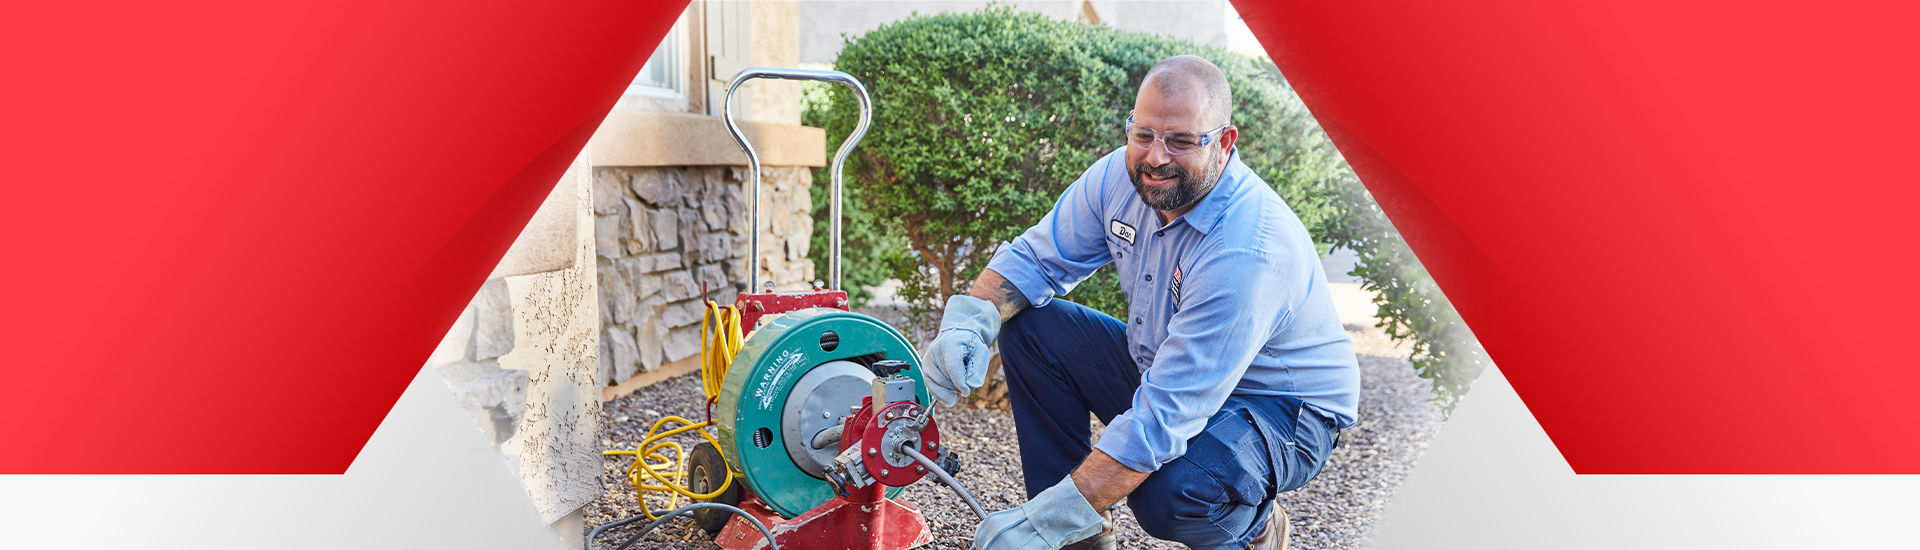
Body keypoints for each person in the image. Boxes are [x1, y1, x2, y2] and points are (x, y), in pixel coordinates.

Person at [922, 55, 1360, 550]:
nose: (1156, 157)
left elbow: (1162, 419)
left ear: (1223, 142)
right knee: (1030, 327)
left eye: (1180, 140)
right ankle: (1074, 541)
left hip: (1281, 409)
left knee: (1172, 494)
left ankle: (1253, 528)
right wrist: (969, 320)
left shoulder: (1246, 250)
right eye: (1144, 134)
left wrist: (1047, 520)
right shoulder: (1120, 177)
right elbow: (1035, 261)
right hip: (1172, 370)